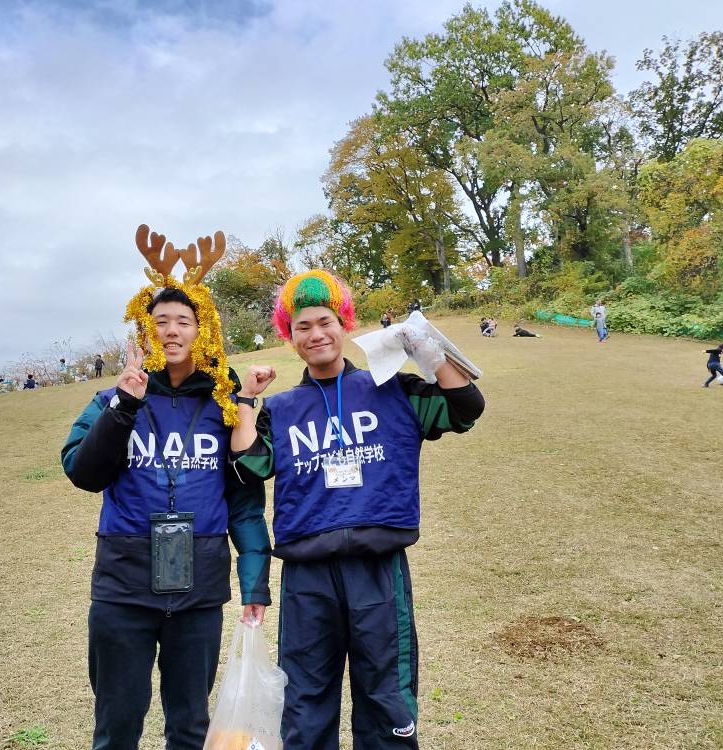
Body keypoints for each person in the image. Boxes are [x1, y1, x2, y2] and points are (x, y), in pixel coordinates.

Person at [230, 269, 485, 750]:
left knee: (386, 695)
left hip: (378, 568)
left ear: (344, 324)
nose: (316, 334)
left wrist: (424, 347)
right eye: (302, 327)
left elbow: (464, 406)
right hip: (308, 577)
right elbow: (249, 464)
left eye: (325, 321)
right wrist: (245, 399)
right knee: (305, 703)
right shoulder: (282, 409)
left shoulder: (392, 389)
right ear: (290, 337)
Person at [61, 224, 271, 750]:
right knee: (117, 726)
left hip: (199, 591)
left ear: (203, 332)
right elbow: (83, 472)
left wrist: (254, 584)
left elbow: (245, 503)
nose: (171, 331)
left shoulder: (225, 407)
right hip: (124, 589)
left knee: (190, 726)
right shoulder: (114, 399)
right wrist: (124, 406)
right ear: (144, 331)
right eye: (160, 322)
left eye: (183, 321)